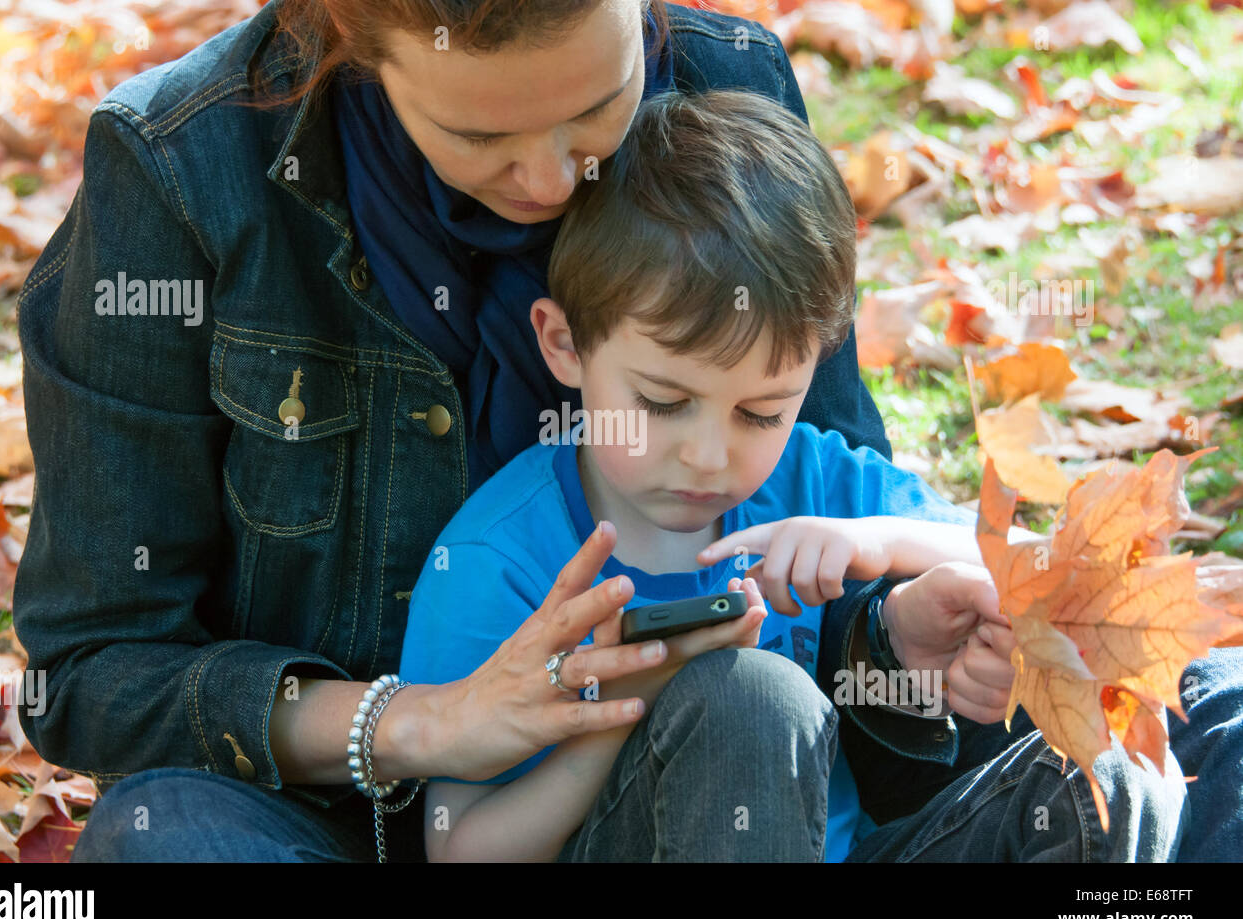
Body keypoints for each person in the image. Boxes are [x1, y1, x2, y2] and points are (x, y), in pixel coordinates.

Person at [396, 88, 1186, 862]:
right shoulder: (496, 561)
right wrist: (615, 717)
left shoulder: (816, 488)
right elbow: (456, 845)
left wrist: (878, 543)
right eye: (664, 401)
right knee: (749, 699)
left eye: (761, 413)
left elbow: (1047, 564)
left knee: (1113, 773)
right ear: (565, 345)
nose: (709, 455)